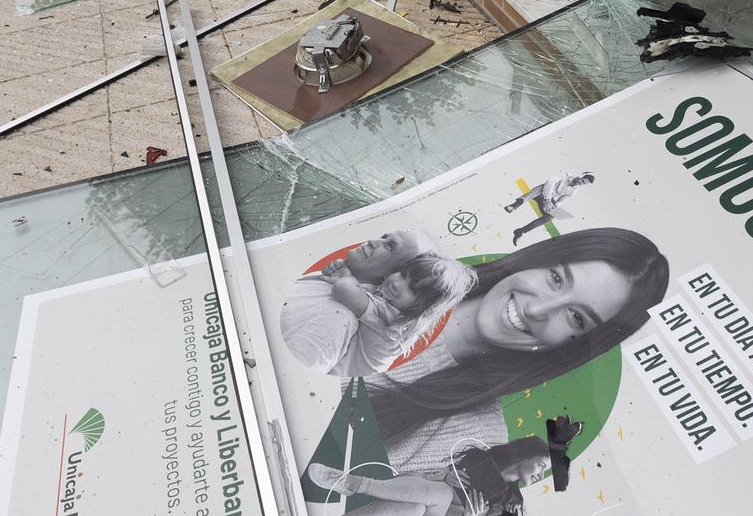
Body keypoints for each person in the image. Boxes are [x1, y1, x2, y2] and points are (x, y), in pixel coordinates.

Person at [361, 228, 669, 474]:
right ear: (537, 258)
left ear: (573, 345)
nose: (536, 308)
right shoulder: (401, 263)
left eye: (576, 317)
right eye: (556, 278)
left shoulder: (474, 435)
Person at [281, 230, 472, 377]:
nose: (398, 284)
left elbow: (344, 290)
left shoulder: (389, 319)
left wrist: (345, 276)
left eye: (413, 289)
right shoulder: (387, 307)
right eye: (404, 274)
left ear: (421, 308)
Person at [306, 437, 549, 516]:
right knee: (417, 506)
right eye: (542, 466)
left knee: (441, 495)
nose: (541, 475)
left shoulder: (509, 503)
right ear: (526, 454)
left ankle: (354, 484)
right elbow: (417, 476)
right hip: (407, 500)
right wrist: (443, 475)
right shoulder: (481, 459)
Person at [504, 171, 595, 247]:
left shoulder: (575, 191)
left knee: (550, 217)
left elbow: (561, 200)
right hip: (542, 193)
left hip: (549, 200)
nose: (580, 183)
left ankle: (520, 232)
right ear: (581, 175)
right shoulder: (563, 175)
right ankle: (514, 206)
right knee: (540, 189)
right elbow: (549, 184)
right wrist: (547, 200)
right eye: (582, 180)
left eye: (583, 184)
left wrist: (555, 206)